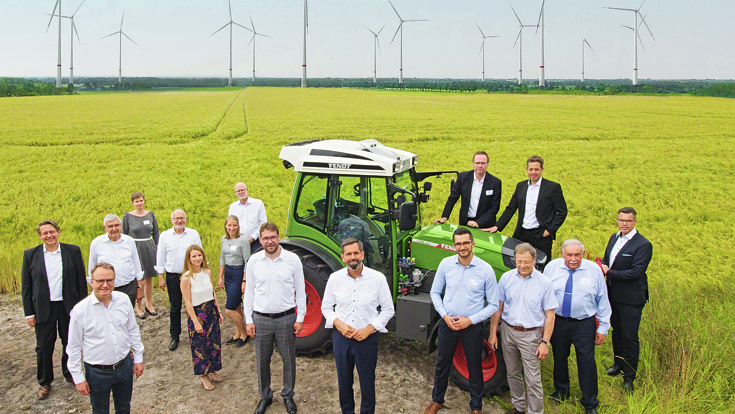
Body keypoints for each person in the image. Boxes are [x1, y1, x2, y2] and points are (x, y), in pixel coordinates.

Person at [424, 227, 499, 414]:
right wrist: (445, 316)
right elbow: (434, 292)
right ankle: (437, 400)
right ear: (453, 246)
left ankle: (476, 407)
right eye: (458, 243)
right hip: (448, 323)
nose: (462, 246)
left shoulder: (485, 270)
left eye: (466, 242)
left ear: (473, 243)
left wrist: (470, 321)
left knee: (475, 367)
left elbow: (493, 304)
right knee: (442, 364)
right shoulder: (446, 265)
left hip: (471, 327)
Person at [321, 238, 395, 414]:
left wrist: (369, 329)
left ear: (362, 254)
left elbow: (388, 309)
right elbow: (325, 307)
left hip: (367, 339)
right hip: (342, 339)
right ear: (343, 257)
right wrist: (339, 324)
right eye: (348, 254)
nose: (352, 257)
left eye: (356, 253)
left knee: (367, 383)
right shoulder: (334, 278)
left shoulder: (377, 278)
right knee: (344, 382)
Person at [243, 222, 306, 414]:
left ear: (278, 237)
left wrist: (300, 317)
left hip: (286, 318)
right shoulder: (254, 261)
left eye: (273, 237)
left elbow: (301, 291)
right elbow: (250, 292)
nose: (269, 242)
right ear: (260, 240)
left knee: (288, 359)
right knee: (262, 360)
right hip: (261, 318)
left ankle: (288, 395)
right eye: (265, 238)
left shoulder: (293, 260)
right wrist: (248, 319)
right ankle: (265, 396)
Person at [21, 220, 88, 400]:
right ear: (40, 236)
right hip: (43, 308)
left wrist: (82, 308)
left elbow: (81, 282)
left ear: (58, 232)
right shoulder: (30, 255)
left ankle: (70, 374)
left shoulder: (72, 251)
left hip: (68, 307)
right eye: (45, 233)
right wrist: (29, 313)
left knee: (70, 342)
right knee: (43, 346)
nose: (49, 236)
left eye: (52, 232)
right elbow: (26, 287)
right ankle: (44, 382)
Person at [67, 262, 144, 414]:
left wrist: (138, 358)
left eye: (109, 280)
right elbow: (74, 347)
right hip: (97, 373)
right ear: (91, 282)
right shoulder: (80, 311)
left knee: (124, 408)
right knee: (100, 410)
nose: (105, 285)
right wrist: (78, 378)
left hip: (124, 366)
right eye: (100, 281)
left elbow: (132, 330)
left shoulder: (123, 300)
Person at [490, 243, 557, 414]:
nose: (523, 266)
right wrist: (493, 334)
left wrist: (545, 342)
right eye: (519, 261)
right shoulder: (506, 278)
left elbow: (550, 316)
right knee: (512, 373)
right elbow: (498, 308)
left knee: (533, 379)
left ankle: (535, 411)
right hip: (508, 331)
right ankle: (518, 407)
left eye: (527, 262)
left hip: (531, 336)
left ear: (534, 261)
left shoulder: (544, 283)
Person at [545, 239, 611, 414]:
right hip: (558, 322)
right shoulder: (552, 267)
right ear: (562, 254)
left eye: (577, 255)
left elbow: (602, 300)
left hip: (584, 323)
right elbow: (543, 295)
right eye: (569, 255)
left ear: (583, 254)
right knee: (559, 357)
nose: (573, 259)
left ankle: (590, 402)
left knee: (587, 362)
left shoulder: (594, 271)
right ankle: (561, 391)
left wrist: (603, 328)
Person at [601, 207, 653, 393]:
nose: (624, 223)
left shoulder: (643, 244)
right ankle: (618, 363)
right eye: (621, 220)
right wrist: (604, 265)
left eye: (628, 221)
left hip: (631, 298)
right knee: (617, 332)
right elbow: (607, 258)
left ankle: (629, 378)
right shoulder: (614, 237)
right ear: (617, 220)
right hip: (613, 294)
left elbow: (637, 272)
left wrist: (609, 272)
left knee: (630, 337)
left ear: (634, 222)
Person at [485, 155, 567, 271]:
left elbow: (562, 212)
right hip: (522, 234)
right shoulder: (521, 186)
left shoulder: (552, 187)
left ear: (542, 169)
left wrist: (549, 231)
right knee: (516, 264)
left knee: (542, 267)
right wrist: (497, 226)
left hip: (541, 235)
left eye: (536, 169)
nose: (533, 172)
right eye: (531, 169)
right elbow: (511, 208)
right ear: (527, 170)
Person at [155, 209, 202, 351]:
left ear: (186, 219)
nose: (179, 220)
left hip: (191, 276)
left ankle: (196, 333)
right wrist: (161, 277)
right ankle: (175, 336)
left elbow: (200, 253)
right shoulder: (165, 236)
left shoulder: (193, 234)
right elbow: (161, 256)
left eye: (182, 218)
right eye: (176, 218)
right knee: (175, 307)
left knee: (194, 305)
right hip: (173, 276)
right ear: (171, 220)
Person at [181, 245, 224, 391]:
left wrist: (218, 311)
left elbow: (212, 292)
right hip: (198, 314)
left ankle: (213, 369)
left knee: (214, 343)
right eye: (194, 256)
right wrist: (195, 321)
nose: (197, 258)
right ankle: (203, 375)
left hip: (210, 310)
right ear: (189, 259)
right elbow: (187, 302)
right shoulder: (186, 278)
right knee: (201, 346)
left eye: (199, 255)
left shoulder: (207, 272)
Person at [434, 151, 502, 228]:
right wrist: (444, 217)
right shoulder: (463, 177)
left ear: (487, 164)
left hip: (486, 224)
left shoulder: (495, 182)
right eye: (477, 163)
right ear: (473, 164)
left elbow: (494, 207)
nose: (480, 166)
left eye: (483, 163)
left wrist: (478, 223)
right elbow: (453, 198)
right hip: (466, 222)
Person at [88, 214, 144, 308]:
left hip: (129, 286)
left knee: (127, 314)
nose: (114, 229)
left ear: (121, 226)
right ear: (105, 228)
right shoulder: (96, 243)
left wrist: (139, 287)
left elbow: (136, 263)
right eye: (110, 226)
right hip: (108, 288)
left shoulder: (129, 241)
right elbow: (92, 268)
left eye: (116, 225)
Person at [122, 191, 160, 319]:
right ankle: (138, 306)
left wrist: (156, 248)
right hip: (135, 248)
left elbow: (155, 233)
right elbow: (124, 235)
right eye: (137, 201)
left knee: (149, 277)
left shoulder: (150, 215)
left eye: (141, 200)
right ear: (133, 203)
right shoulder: (127, 216)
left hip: (149, 248)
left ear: (144, 201)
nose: (139, 203)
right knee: (140, 279)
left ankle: (148, 304)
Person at [217, 215, 250, 347]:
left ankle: (245, 332)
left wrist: (244, 281)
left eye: (234, 225)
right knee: (236, 305)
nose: (232, 228)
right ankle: (238, 333)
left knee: (229, 310)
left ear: (238, 226)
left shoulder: (243, 241)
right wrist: (220, 276)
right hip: (228, 274)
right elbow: (222, 259)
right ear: (225, 226)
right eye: (229, 225)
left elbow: (248, 261)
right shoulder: (224, 239)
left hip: (238, 273)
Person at [229, 182, 268, 254]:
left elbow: (263, 223)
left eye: (242, 190)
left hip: (256, 242)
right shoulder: (233, 207)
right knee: (240, 264)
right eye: (238, 191)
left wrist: (253, 237)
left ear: (247, 190)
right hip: (239, 242)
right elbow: (229, 224)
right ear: (235, 193)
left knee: (256, 262)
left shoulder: (258, 203)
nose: (241, 192)